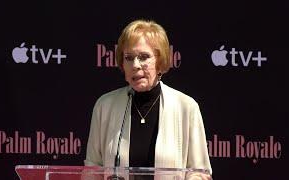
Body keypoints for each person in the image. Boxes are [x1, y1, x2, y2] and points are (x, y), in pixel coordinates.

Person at [85, 19, 212, 178]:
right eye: (129, 58)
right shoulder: (105, 106)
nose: (135, 65)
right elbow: (92, 169)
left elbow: (199, 173)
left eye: (144, 57)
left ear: (160, 61)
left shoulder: (186, 107)